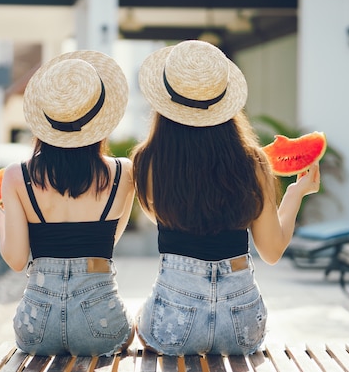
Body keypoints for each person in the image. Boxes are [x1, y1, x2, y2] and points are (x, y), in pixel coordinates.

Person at [131, 40, 320, 356]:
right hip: (242, 327)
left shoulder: (147, 161)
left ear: (164, 103)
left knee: (140, 319)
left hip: (174, 326)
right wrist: (295, 193)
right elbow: (272, 251)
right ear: (225, 104)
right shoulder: (254, 162)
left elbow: (158, 215)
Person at [0, 50, 135, 356]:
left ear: (44, 119)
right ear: (99, 118)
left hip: (36, 329)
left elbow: (17, 261)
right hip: (102, 327)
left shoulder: (18, 176)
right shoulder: (124, 173)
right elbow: (108, 243)